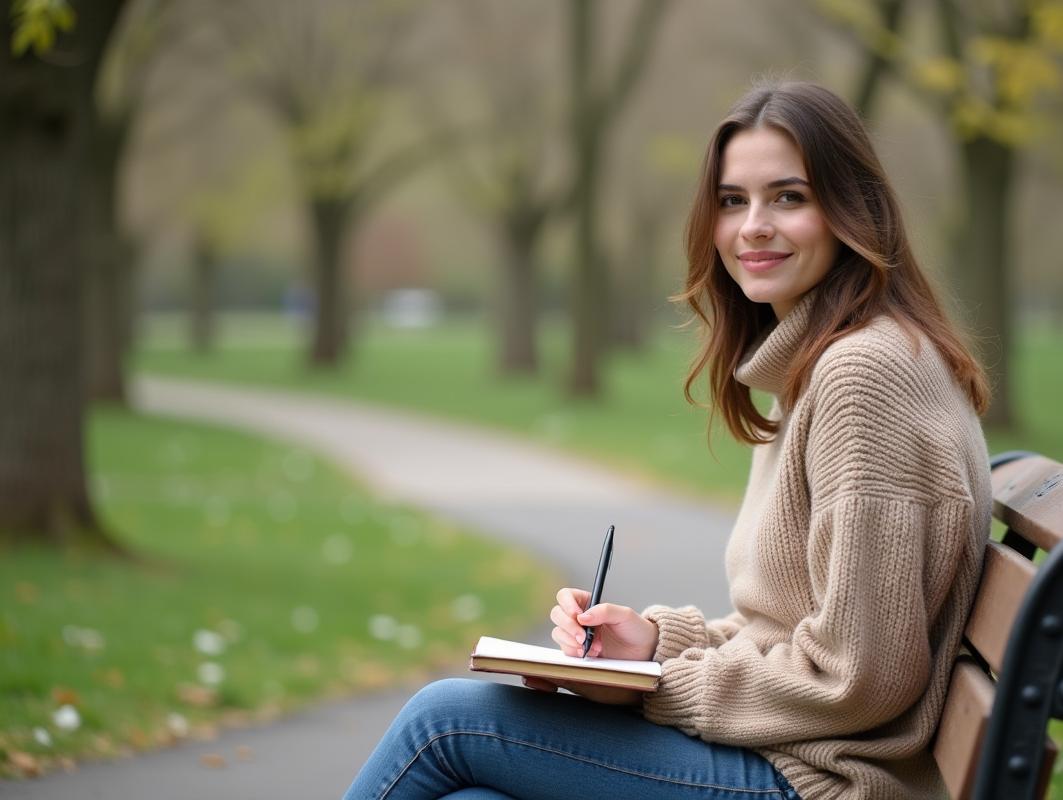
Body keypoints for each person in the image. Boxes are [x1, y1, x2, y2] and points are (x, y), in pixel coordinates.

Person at [341, 79, 992, 800]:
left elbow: (860, 677)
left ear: (852, 212)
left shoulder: (860, 378)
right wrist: (653, 646)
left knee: (444, 722)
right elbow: (791, 634)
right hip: (800, 760)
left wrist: (656, 685)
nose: (753, 227)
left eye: (789, 197)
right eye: (732, 200)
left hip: (821, 783)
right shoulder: (821, 368)